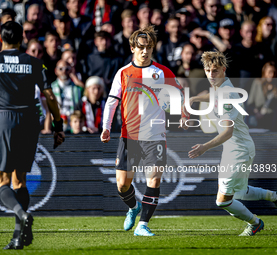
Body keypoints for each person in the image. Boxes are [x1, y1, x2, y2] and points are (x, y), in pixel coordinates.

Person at [0, 21, 65, 249]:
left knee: (1, 181)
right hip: (29, 121)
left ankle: (21, 214)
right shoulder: (36, 63)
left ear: (0, 38)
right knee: (20, 179)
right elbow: (49, 96)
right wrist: (58, 125)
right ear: (22, 40)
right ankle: (19, 236)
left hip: (3, 120)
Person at [100, 25, 189, 236]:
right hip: (129, 136)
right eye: (140, 47)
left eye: (148, 47)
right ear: (132, 47)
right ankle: (133, 207)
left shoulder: (162, 72)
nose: (144, 51)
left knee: (154, 179)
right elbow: (112, 103)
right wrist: (105, 127)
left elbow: (179, 96)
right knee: (122, 185)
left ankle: (143, 225)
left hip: (155, 135)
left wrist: (182, 114)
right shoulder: (122, 73)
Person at [188, 50, 277, 236]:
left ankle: (255, 223)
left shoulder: (228, 95)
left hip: (239, 149)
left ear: (224, 70)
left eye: (215, 71)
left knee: (222, 200)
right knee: (239, 193)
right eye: (207, 70)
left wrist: (204, 147)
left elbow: (228, 132)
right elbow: (212, 97)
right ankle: (273, 196)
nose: (211, 75)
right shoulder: (219, 88)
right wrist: (195, 98)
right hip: (233, 149)